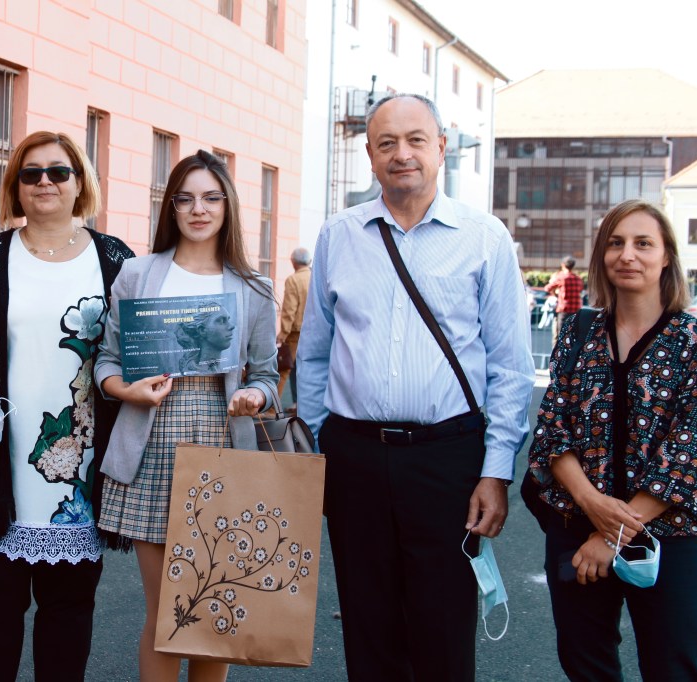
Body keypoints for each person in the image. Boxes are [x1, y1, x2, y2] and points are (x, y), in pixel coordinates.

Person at [297, 93, 534, 680]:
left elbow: (510, 367)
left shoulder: (484, 237)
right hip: (353, 456)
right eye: (387, 143)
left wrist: (496, 472)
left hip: (447, 459)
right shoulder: (339, 235)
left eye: (415, 140)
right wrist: (315, 452)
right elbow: (315, 354)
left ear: (441, 147)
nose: (401, 154)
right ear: (370, 154)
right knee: (368, 624)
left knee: (443, 629)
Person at [0, 131, 134, 681]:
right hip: (1, 464)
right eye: (31, 172)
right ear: (15, 186)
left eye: (59, 171)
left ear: (80, 183)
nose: (45, 182)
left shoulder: (115, 260)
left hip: (79, 475)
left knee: (69, 615)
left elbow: (138, 350)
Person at [95, 150, 278, 682]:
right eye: (186, 199)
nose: (199, 209)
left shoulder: (254, 288)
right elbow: (106, 360)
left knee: (213, 611)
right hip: (153, 442)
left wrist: (254, 397)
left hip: (223, 443)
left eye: (211, 198)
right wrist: (128, 391)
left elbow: (267, 376)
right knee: (167, 613)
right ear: (171, 207)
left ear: (228, 205)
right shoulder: (138, 273)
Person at [526, 199, 697, 681]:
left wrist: (611, 535)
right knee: (586, 665)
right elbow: (552, 431)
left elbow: (690, 452)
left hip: (666, 532)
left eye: (643, 243)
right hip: (575, 525)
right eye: (616, 243)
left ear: (666, 257)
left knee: (675, 665)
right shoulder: (578, 331)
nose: (627, 254)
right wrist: (592, 506)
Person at [276, 246, 311, 407]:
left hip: (296, 333)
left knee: (283, 369)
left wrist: (282, 334)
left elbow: (289, 310)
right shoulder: (315, 277)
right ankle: (300, 404)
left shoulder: (294, 280)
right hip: (314, 331)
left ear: (293, 262)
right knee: (306, 369)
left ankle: (272, 408)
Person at [174, 301, 237, 374]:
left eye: (228, 320)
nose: (232, 326)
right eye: (221, 321)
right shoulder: (195, 372)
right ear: (202, 330)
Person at [545, 255, 584, 342]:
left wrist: (556, 293)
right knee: (573, 336)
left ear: (563, 265)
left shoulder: (561, 277)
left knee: (561, 335)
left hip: (564, 309)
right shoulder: (578, 278)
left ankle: (561, 350)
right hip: (576, 310)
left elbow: (547, 288)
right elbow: (580, 289)